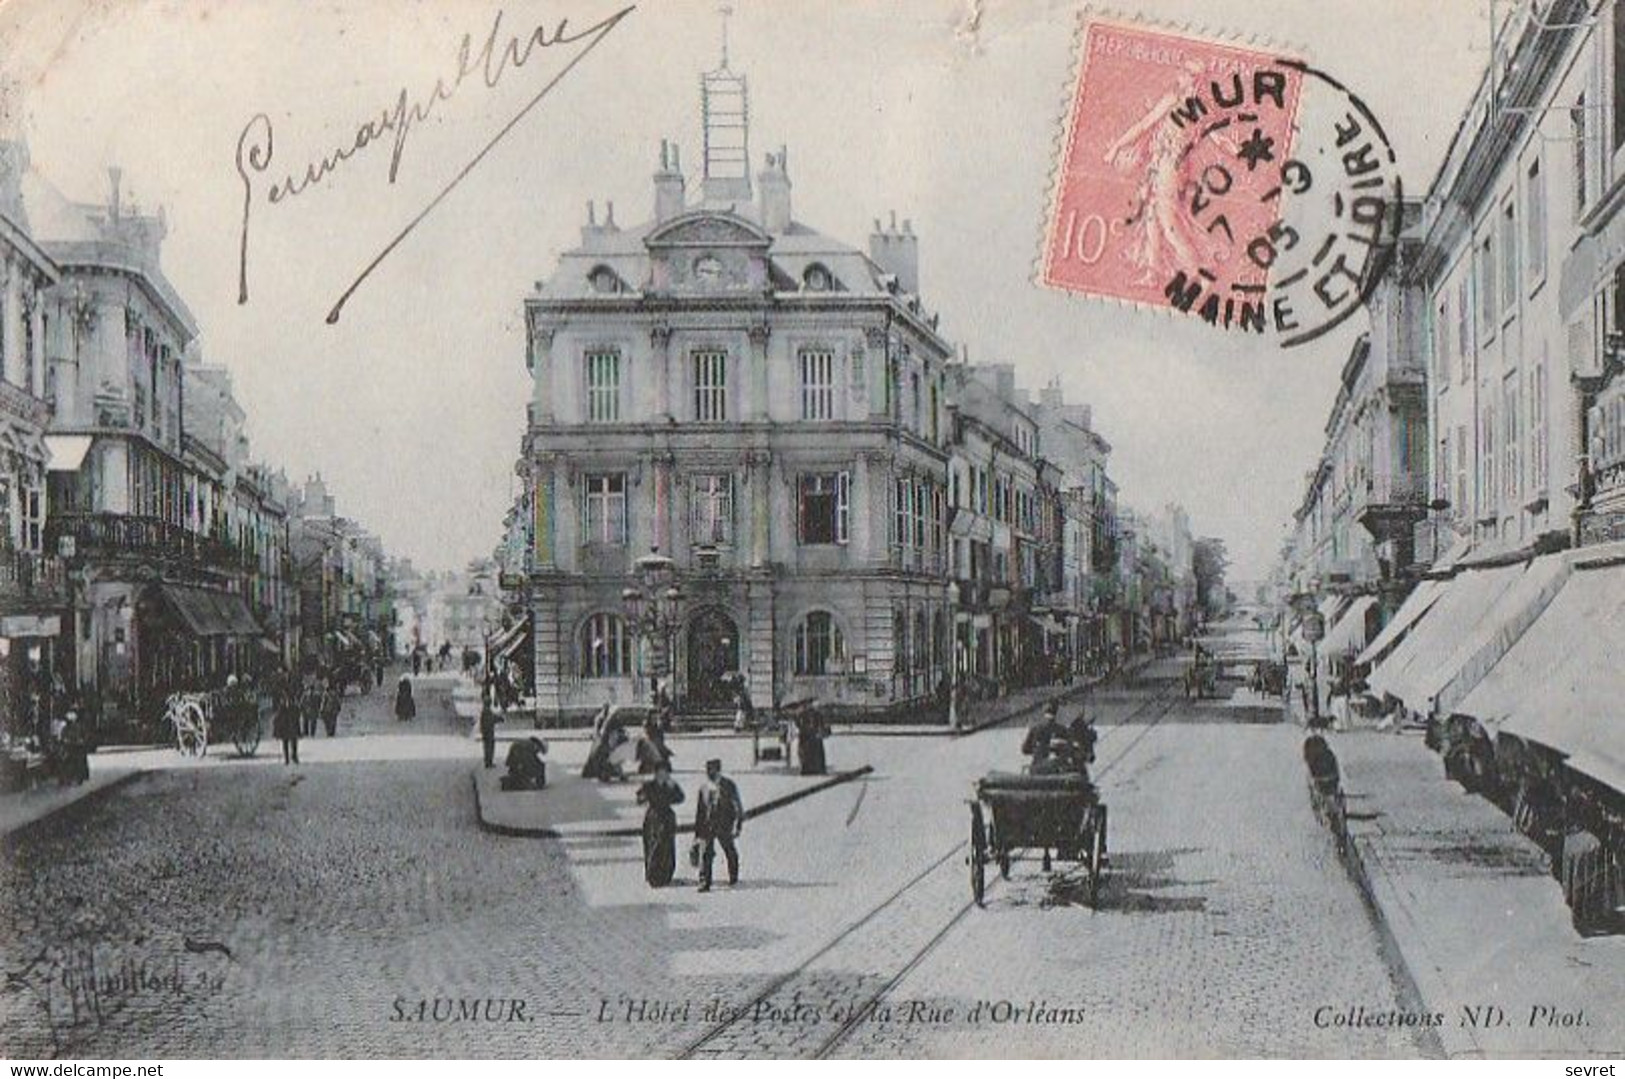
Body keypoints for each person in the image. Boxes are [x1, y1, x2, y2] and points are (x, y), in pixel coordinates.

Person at [694, 757, 744, 891]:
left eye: (713, 770)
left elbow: (737, 806)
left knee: (729, 850)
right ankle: (704, 882)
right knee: (705, 853)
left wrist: (738, 824)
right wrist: (697, 833)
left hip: (724, 823)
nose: (710, 773)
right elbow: (700, 811)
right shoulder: (704, 788)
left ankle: (733, 876)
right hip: (708, 825)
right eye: (708, 770)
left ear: (719, 771)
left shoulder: (728, 786)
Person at [636, 762, 686, 888]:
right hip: (654, 818)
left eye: (665, 772)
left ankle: (666, 875)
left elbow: (680, 798)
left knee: (668, 847)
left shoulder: (670, 785)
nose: (663, 775)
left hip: (667, 817)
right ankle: (653, 875)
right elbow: (640, 799)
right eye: (660, 772)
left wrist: (673, 787)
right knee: (653, 846)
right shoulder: (649, 785)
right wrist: (643, 796)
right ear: (656, 773)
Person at [1020, 702, 1071, 775]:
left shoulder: (1035, 729)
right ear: (1056, 713)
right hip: (1057, 769)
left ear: (1043, 713)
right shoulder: (1063, 730)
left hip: (1038, 769)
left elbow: (1025, 749)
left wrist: (1037, 749)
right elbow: (1068, 749)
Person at [274, 674, 301, 765]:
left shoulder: (293, 703)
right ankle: (286, 758)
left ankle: (294, 756)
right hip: (285, 724)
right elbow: (278, 714)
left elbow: (297, 711)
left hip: (292, 722)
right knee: (285, 741)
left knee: (294, 740)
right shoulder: (282, 704)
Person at [478, 690, 501, 769]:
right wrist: (499, 719)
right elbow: (491, 720)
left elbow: (482, 722)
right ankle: (489, 762)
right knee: (489, 747)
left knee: (487, 747)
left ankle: (488, 761)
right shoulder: (487, 711)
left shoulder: (485, 711)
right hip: (489, 732)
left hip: (486, 732)